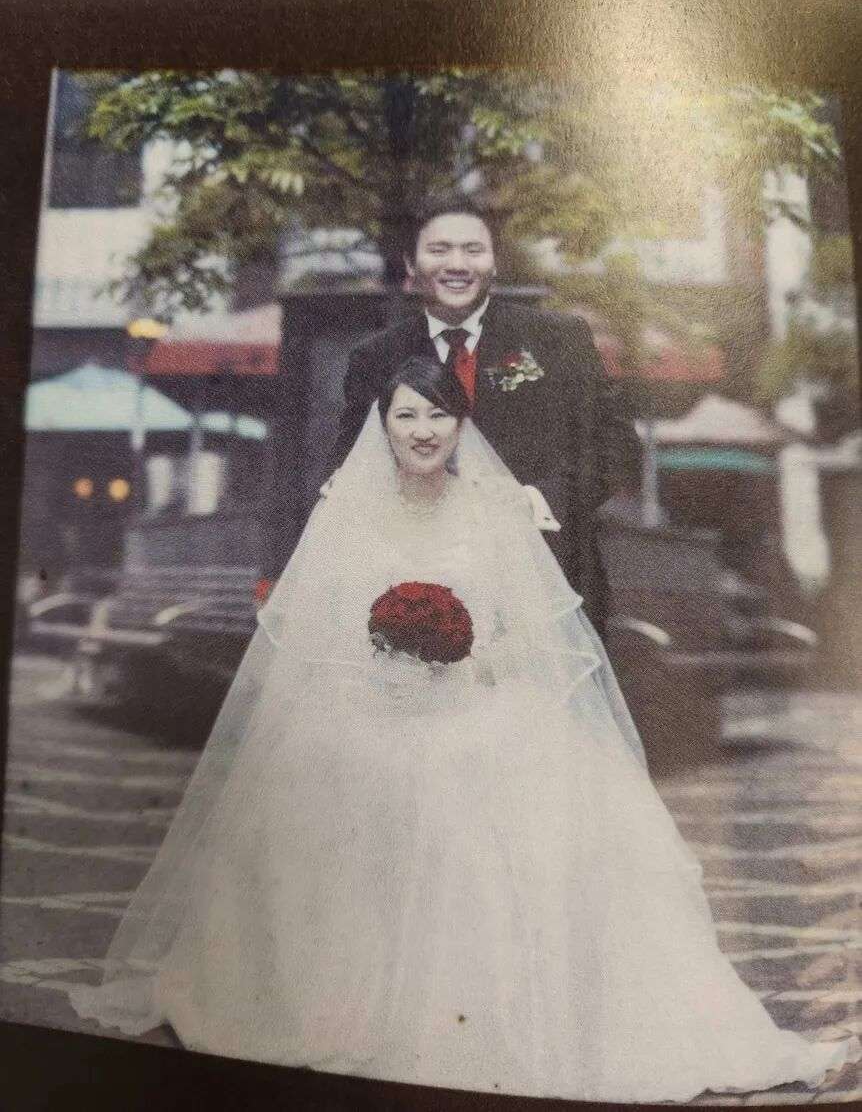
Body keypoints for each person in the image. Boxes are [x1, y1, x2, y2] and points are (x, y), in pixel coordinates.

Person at [69, 356, 858, 1103]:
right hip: (370, 700)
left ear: (459, 425)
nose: (422, 430)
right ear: (383, 423)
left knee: (515, 806)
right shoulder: (345, 510)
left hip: (476, 695)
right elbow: (318, 631)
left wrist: (464, 656)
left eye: (439, 415)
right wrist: (387, 660)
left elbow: (528, 632)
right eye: (406, 414)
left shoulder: (493, 508)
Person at [328, 195, 641, 633]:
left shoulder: (558, 339)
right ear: (411, 265)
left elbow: (619, 448)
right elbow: (349, 467)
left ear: (494, 263)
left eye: (473, 250)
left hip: (547, 590)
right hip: (422, 596)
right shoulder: (376, 356)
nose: (457, 264)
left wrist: (536, 500)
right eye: (439, 250)